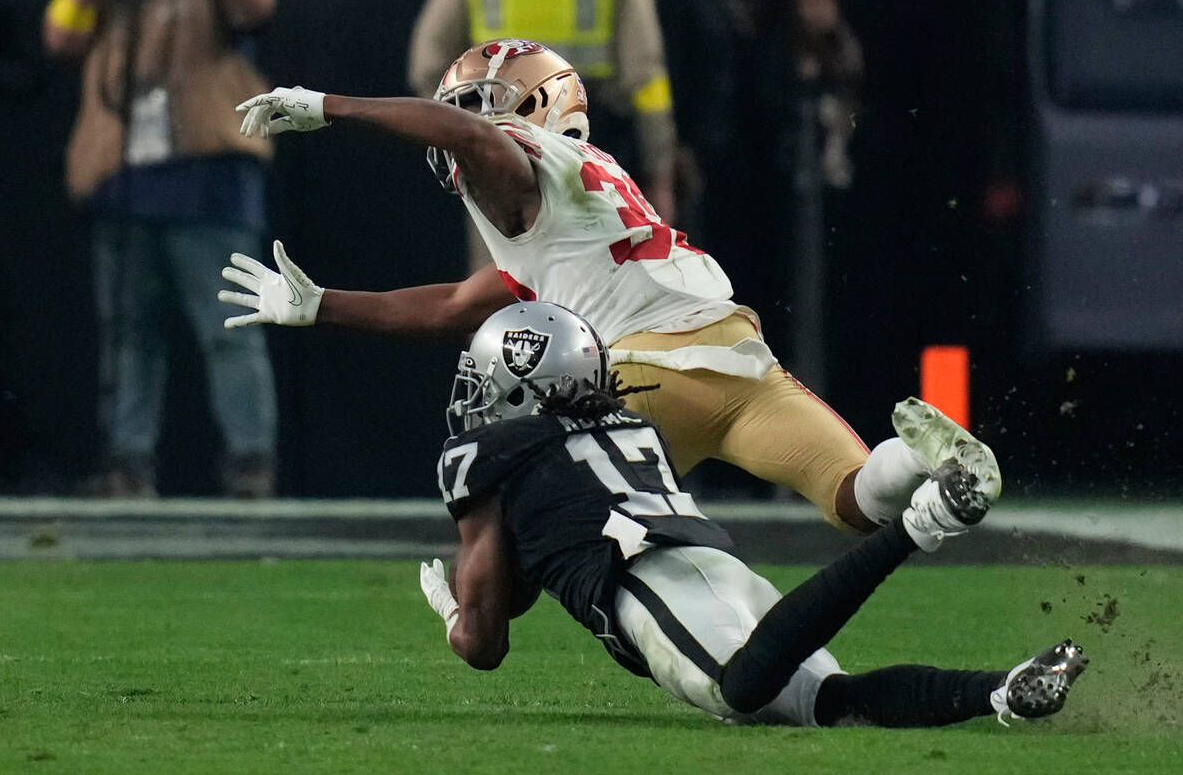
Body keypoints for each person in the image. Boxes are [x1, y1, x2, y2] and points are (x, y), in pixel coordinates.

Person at [221, 38, 988, 532]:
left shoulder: (523, 164)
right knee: (858, 498)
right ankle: (925, 458)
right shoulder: (588, 191)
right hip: (740, 356)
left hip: (646, 372)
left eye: (479, 103)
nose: (462, 123)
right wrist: (322, 306)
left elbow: (472, 137)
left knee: (540, 526)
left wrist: (331, 107)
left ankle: (493, 619)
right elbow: (457, 304)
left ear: (532, 107)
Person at [417, 300, 1087, 727]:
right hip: (709, 558)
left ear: (524, 381)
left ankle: (923, 519)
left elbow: (485, 644)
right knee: (829, 700)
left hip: (640, 581)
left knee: (738, 687)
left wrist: (451, 610)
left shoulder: (483, 451)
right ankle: (1003, 692)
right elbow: (534, 562)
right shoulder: (630, 423)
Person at [44, 0, 280, 497]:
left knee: (230, 329)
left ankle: (250, 464)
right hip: (121, 179)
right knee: (128, 335)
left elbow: (259, 4)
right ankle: (128, 464)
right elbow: (59, 37)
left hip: (208, 180)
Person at [408, 0, 684, 249]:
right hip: (588, 150)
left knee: (504, 280)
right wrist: (659, 173)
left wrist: (468, 142)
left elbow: (428, 66)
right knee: (594, 276)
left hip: (500, 148)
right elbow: (645, 78)